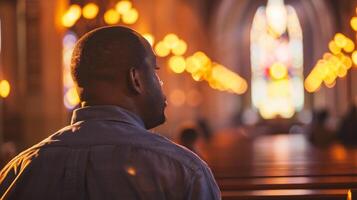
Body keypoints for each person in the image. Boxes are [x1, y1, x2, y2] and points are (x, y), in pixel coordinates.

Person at [0, 26, 221, 200]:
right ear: (135, 79)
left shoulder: (19, 170)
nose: (161, 85)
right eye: (155, 72)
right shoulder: (183, 171)